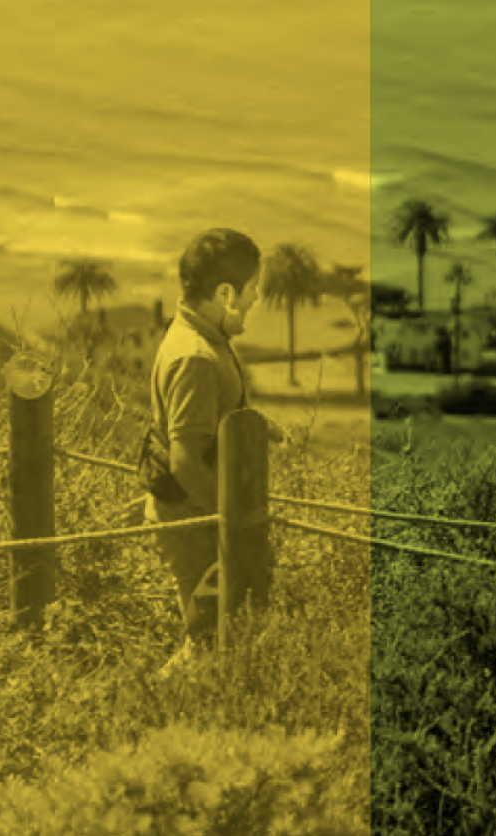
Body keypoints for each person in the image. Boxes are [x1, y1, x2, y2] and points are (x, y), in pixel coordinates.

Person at [138, 229, 287, 679]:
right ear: (225, 293)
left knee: (220, 635)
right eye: (251, 289)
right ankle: (158, 706)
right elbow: (185, 459)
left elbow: (208, 422)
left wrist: (253, 426)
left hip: (199, 515)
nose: (256, 297)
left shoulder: (198, 333)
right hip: (195, 520)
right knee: (207, 642)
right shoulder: (196, 356)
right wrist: (236, 525)